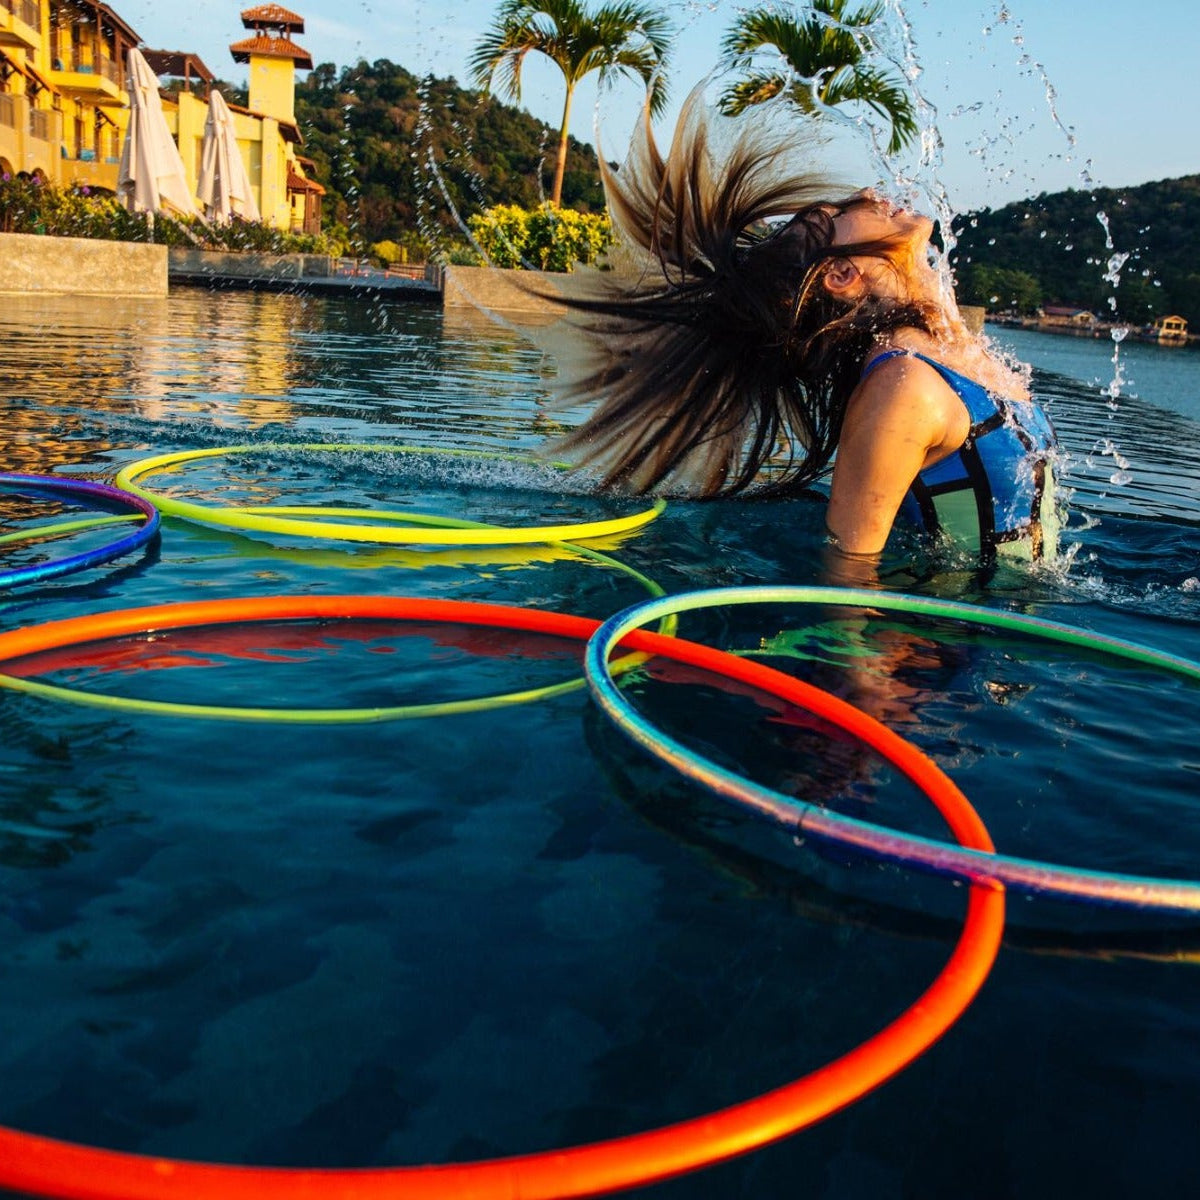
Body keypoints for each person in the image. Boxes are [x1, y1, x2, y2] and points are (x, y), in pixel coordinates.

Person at [548, 84, 1060, 572]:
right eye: (839, 214)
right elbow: (849, 575)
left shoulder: (952, 352)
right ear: (840, 275)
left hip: (1012, 623)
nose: (867, 193)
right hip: (951, 630)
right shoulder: (902, 388)